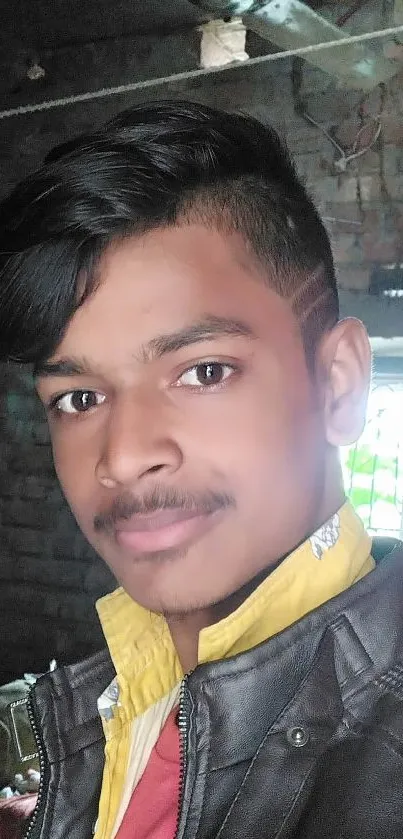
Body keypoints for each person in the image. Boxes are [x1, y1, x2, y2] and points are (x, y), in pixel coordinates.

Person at [0, 100, 402, 839]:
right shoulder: (127, 689)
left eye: (205, 371)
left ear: (338, 385)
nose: (122, 456)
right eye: (80, 396)